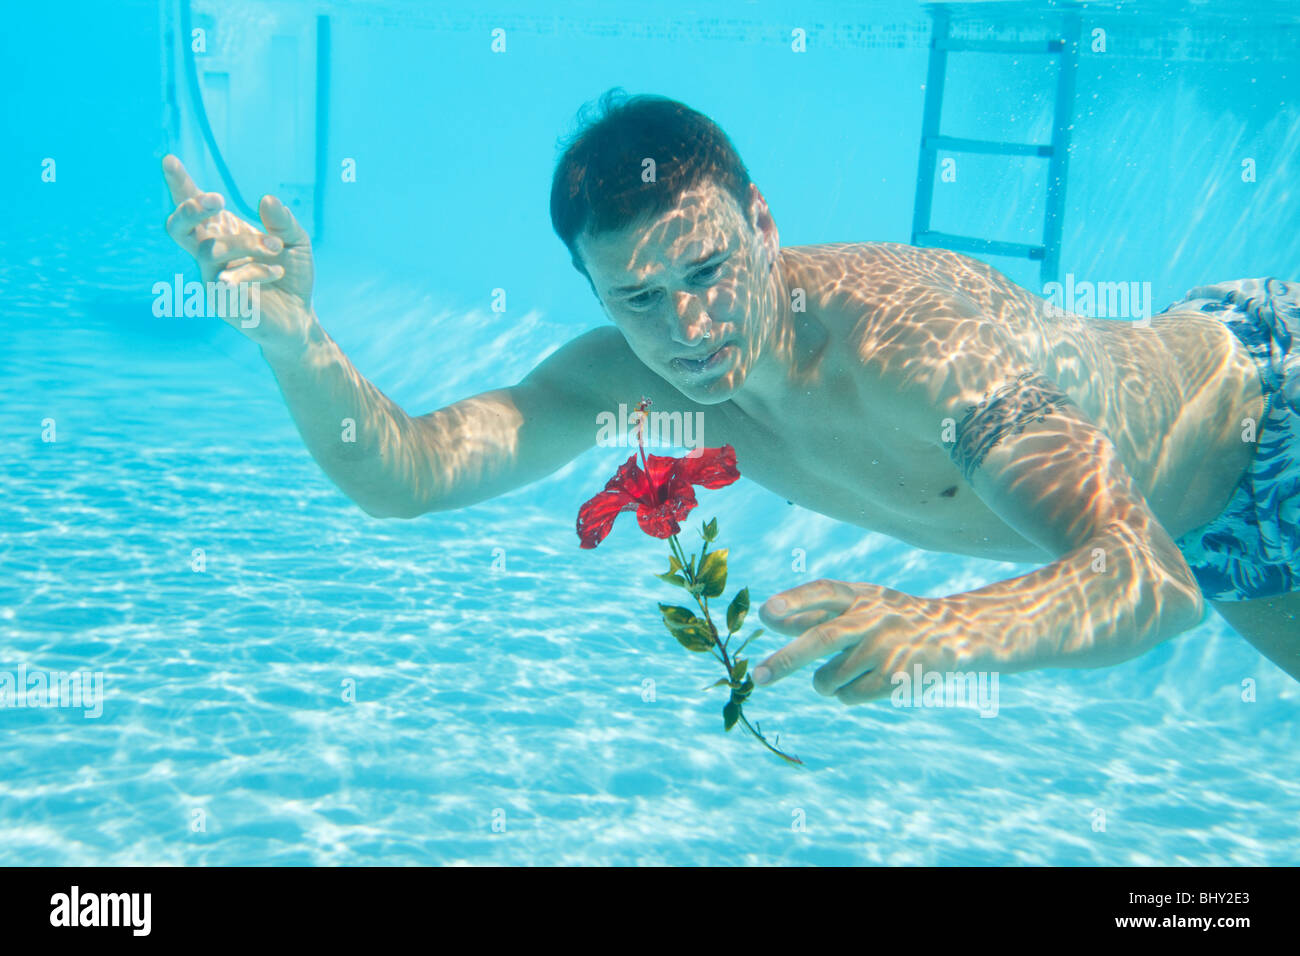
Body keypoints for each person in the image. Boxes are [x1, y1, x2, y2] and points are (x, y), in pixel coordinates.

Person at [161, 90, 1300, 702]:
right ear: (595, 292)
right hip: (1218, 534)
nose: (689, 330)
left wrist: (943, 628)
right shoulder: (626, 372)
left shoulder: (904, 347)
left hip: (1268, 398)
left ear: (761, 221)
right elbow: (402, 471)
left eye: (706, 271)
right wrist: (290, 336)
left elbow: (1140, 576)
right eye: (640, 298)